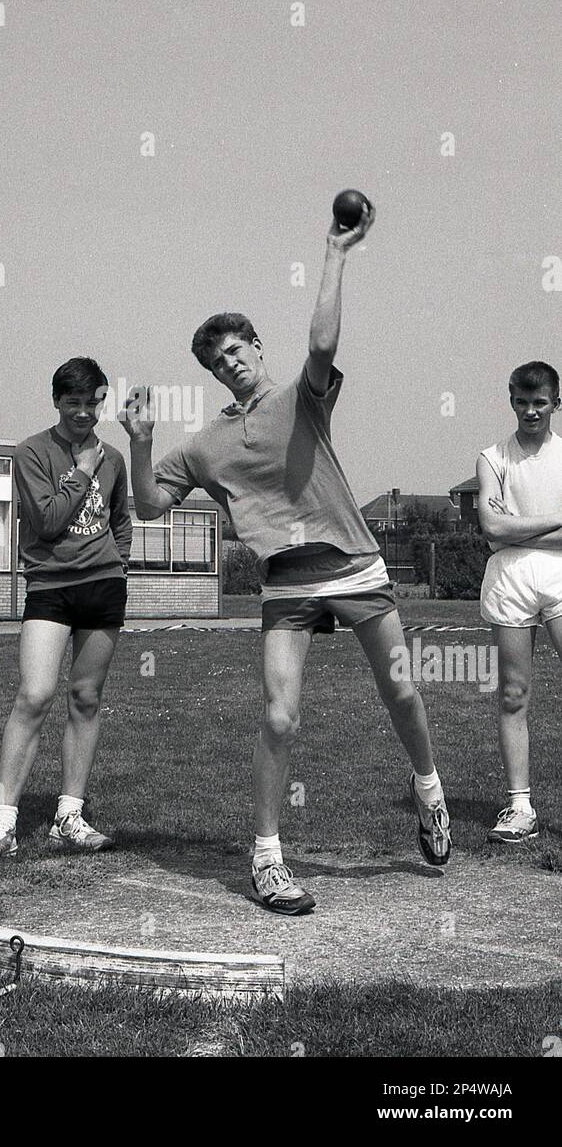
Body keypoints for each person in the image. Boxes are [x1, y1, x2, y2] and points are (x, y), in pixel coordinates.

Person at [120, 208, 451, 915]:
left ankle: (429, 792)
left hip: (356, 568)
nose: (230, 363)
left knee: (402, 693)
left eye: (238, 350)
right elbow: (149, 505)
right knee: (278, 717)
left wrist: (335, 252)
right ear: (210, 372)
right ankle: (267, 858)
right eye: (217, 361)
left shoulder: (302, 396)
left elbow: (324, 339)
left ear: (258, 348)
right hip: (286, 586)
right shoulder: (206, 444)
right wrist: (140, 441)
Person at [0, 357, 132, 865]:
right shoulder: (32, 452)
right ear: (56, 401)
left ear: (102, 401)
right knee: (34, 695)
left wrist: (118, 565)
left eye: (92, 402)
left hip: (103, 586)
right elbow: (50, 520)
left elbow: (120, 520)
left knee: (85, 698)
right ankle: (3, 822)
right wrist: (81, 471)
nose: (83, 412)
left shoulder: (115, 459)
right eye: (73, 402)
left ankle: (69, 817)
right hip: (51, 587)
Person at [476, 360, 562, 844]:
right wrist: (554, 519)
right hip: (509, 579)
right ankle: (520, 807)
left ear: (556, 403)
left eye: (540, 403)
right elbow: (491, 528)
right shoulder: (492, 459)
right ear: (511, 400)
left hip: (560, 579)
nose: (530, 411)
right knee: (513, 693)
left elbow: (506, 529)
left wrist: (518, 525)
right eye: (522, 402)